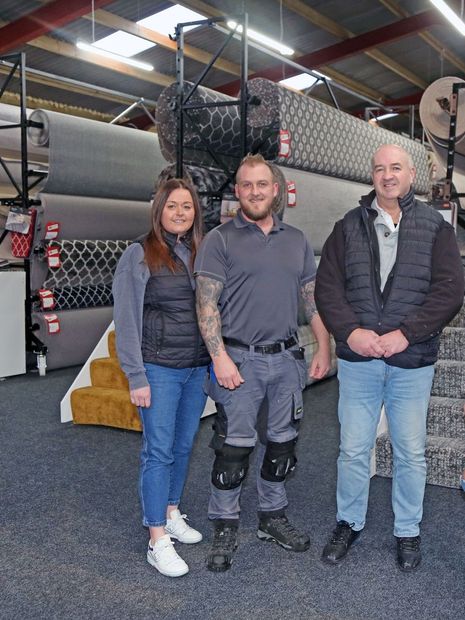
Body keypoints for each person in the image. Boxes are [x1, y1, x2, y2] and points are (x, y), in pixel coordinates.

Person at [315, 144, 464, 572]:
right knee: (352, 450)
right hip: (360, 363)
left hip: (411, 361)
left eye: (395, 167)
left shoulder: (435, 227)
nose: (387, 175)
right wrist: (351, 332)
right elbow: (328, 288)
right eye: (380, 168)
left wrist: (406, 334)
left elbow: (450, 291)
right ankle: (349, 522)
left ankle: (408, 531)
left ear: (411, 173)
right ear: (372, 175)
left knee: (411, 452)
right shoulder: (347, 227)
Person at [194, 153, 331, 572]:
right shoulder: (220, 239)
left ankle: (272, 517)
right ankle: (225, 522)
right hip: (239, 360)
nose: (254, 191)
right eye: (246, 185)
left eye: (262, 184)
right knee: (233, 447)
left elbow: (311, 302)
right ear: (238, 191)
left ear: (276, 190)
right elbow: (206, 304)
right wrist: (219, 358)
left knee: (283, 445)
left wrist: (325, 346)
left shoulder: (297, 240)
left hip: (286, 360)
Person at [112, 178, 210, 578]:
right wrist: (136, 376)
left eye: (187, 206)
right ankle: (156, 538)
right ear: (159, 210)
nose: (180, 213)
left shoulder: (201, 252)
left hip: (195, 367)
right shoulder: (138, 254)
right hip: (158, 369)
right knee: (159, 451)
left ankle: (171, 511)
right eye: (172, 206)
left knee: (184, 446)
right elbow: (128, 320)